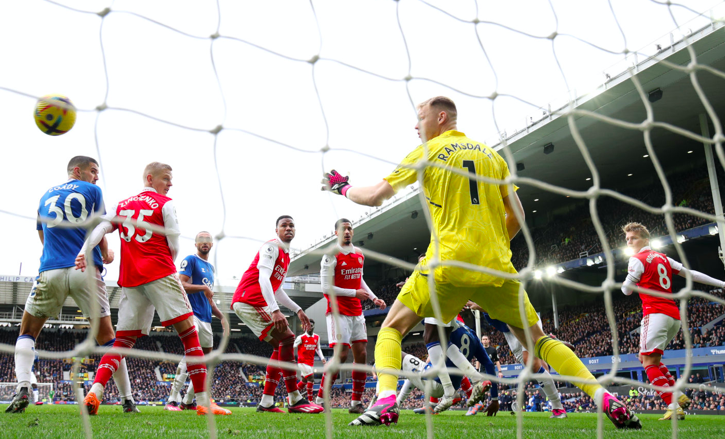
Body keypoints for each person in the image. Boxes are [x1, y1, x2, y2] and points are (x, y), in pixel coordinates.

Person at [324, 96, 639, 429]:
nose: (416, 126)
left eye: (420, 117)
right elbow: (516, 215)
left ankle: (386, 401)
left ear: (441, 117)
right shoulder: (493, 156)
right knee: (540, 340)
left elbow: (375, 196)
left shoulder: (427, 152)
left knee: (391, 329)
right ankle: (606, 398)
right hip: (495, 267)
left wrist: (342, 187)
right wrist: (493, 247)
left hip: (446, 265)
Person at [76, 162, 224, 416]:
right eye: (166, 178)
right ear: (149, 178)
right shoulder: (166, 204)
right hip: (160, 272)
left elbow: (100, 228)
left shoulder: (121, 204)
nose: (170, 183)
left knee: (122, 341)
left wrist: (83, 252)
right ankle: (202, 402)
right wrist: (166, 262)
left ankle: (96, 391)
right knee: (189, 335)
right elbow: (174, 245)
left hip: (131, 279)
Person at [5, 156, 135, 415]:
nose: (96, 176)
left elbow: (42, 234)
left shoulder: (45, 196)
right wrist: (107, 253)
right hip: (84, 268)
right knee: (109, 339)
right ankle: (127, 400)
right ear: (78, 170)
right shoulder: (92, 190)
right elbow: (99, 227)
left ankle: (22, 387)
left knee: (27, 332)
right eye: (93, 171)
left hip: (50, 269)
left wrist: (57, 256)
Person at [621, 222, 725, 421]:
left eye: (633, 238)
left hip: (654, 313)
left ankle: (672, 404)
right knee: (646, 358)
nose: (629, 242)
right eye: (627, 239)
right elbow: (691, 274)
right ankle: (678, 395)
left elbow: (626, 291)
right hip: (673, 316)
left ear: (645, 239)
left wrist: (628, 281)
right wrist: (721, 283)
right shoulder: (663, 258)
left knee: (648, 362)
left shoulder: (636, 259)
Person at [231, 216, 323, 414]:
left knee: (279, 345)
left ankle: (266, 402)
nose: (288, 228)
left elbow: (278, 289)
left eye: (291, 225)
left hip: (254, 302)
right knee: (288, 338)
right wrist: (274, 310)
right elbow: (263, 277)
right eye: (284, 225)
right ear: (276, 230)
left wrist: (298, 309)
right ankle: (295, 399)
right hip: (249, 300)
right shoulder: (271, 248)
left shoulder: (287, 256)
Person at [316, 218, 386, 414]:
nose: (347, 232)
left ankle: (356, 403)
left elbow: (359, 278)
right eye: (342, 229)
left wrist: (374, 298)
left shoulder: (359, 254)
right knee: (341, 355)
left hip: (356, 311)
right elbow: (325, 287)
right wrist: (354, 293)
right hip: (338, 311)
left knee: (362, 355)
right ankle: (320, 399)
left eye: (349, 228)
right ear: (336, 233)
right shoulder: (331, 255)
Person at [165, 231, 231, 414]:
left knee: (206, 362)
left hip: (206, 319)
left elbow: (209, 298)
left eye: (207, 240)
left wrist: (221, 316)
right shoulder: (190, 260)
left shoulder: (211, 268)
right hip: (191, 314)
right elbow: (180, 284)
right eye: (201, 240)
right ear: (195, 244)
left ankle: (187, 401)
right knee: (191, 356)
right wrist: (202, 287)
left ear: (211, 244)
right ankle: (172, 400)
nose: (204, 242)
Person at [477, 307, 566, 418]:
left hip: (522, 319)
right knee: (539, 367)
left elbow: (496, 305)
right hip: (509, 332)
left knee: (531, 363)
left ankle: (558, 408)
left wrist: (478, 305)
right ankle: (548, 342)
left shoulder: (489, 293)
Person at [294, 320, 325, 403]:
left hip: (310, 363)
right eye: (307, 325)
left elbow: (318, 348)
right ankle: (310, 401)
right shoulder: (301, 337)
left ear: (313, 326)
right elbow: (293, 347)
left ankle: (291, 396)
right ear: (305, 327)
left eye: (311, 325)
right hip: (302, 362)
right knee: (311, 378)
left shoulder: (317, 337)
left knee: (304, 381)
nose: (309, 327)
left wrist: (322, 358)